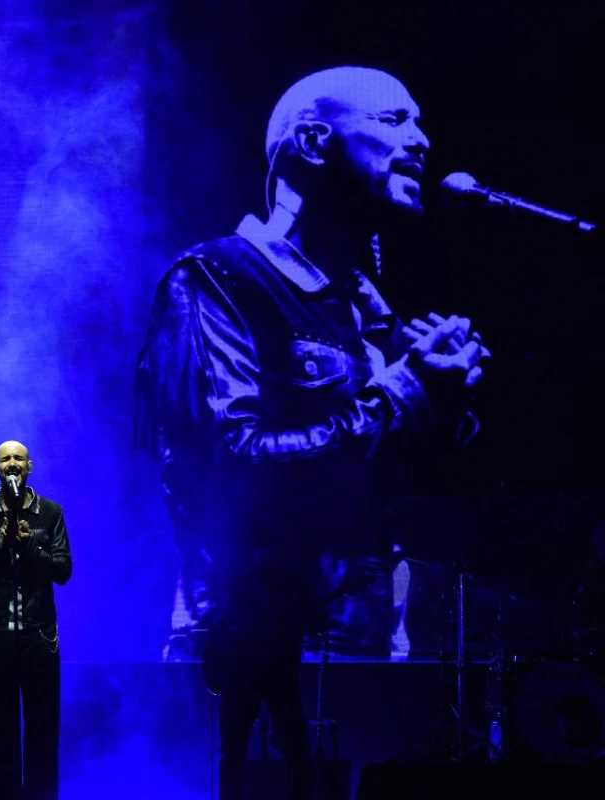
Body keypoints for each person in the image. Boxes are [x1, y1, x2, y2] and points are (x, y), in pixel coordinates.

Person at [135, 66, 488, 799]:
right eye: (393, 120)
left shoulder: (370, 314)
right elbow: (230, 469)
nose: (422, 140)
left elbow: (396, 487)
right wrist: (403, 393)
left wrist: (448, 406)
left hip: (380, 642)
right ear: (313, 140)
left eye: (420, 122)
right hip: (243, 631)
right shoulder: (216, 278)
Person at [0, 440, 72, 800]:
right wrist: (0, 546)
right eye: (5, 459)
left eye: (18, 458)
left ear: (29, 466)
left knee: (42, 734)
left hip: (40, 638)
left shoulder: (50, 512)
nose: (12, 463)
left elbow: (63, 570)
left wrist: (27, 546)